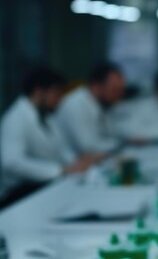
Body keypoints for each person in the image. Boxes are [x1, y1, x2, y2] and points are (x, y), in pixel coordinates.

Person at [0, 67, 96, 207]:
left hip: (40, 187)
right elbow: (11, 163)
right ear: (39, 93)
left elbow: (60, 150)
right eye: (56, 95)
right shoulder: (15, 119)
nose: (59, 101)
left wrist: (77, 163)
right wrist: (59, 171)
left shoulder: (48, 117)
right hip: (16, 194)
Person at [54, 62, 126, 154]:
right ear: (96, 86)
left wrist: (123, 140)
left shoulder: (101, 103)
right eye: (114, 90)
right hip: (70, 163)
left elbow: (110, 134)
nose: (119, 96)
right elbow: (87, 147)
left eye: (120, 90)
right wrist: (121, 143)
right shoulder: (76, 105)